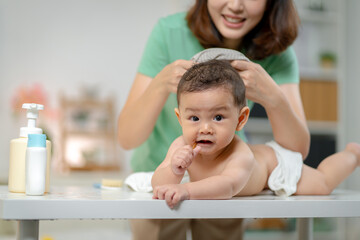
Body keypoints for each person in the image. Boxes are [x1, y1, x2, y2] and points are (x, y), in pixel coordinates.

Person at [117, 0, 309, 239]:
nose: (236, 5)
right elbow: (126, 138)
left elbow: (297, 151)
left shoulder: (277, 50)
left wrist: (274, 97)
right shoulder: (169, 33)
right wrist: (160, 84)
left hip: (224, 176)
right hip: (160, 182)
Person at [152, 59, 360, 209]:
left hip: (273, 165)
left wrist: (187, 191)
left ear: (240, 119)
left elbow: (228, 186)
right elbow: (158, 184)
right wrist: (174, 170)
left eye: (217, 118)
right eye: (194, 118)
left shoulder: (240, 153)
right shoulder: (180, 146)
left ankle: (352, 155)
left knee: (321, 184)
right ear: (180, 118)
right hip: (261, 171)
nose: (205, 128)